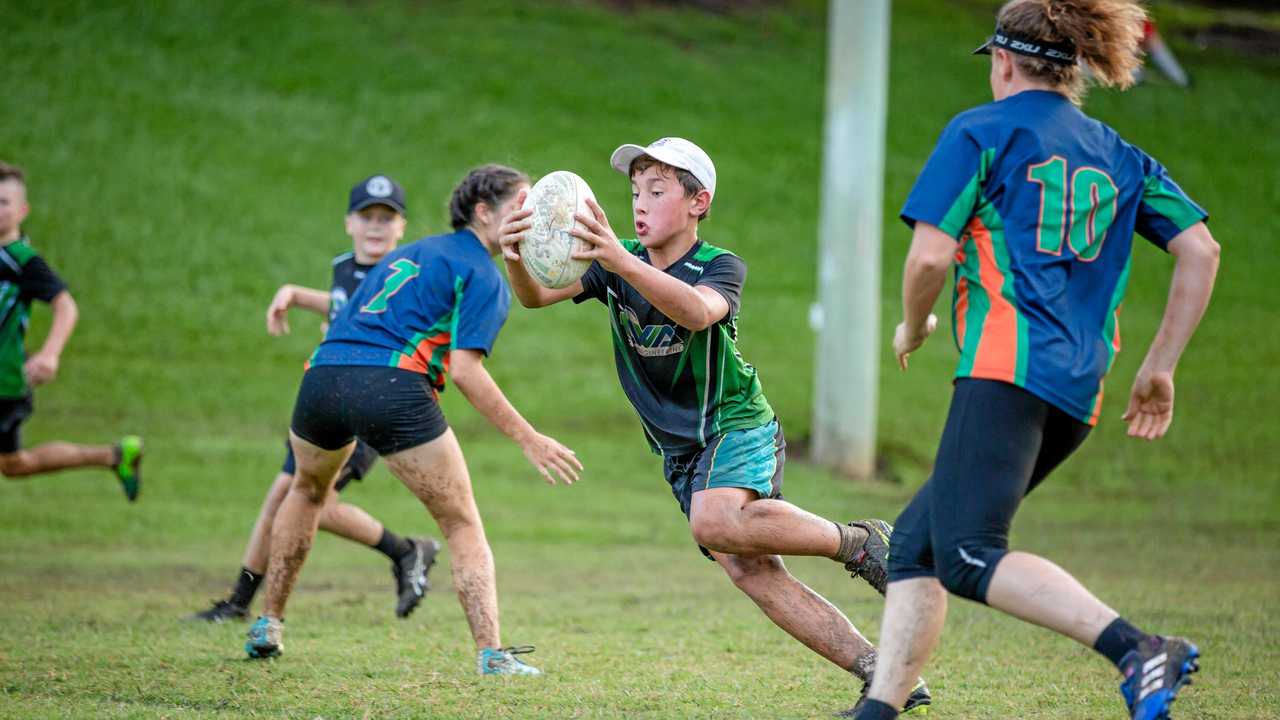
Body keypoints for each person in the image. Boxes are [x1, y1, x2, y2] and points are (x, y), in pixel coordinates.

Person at [852, 2, 1220, 719]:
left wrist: (914, 323)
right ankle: (879, 711)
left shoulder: (980, 131)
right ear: (1073, 64)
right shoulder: (1118, 151)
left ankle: (1138, 650)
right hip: (1078, 388)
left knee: (966, 554)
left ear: (1002, 60)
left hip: (1006, 368)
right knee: (918, 545)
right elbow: (1200, 249)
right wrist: (1160, 366)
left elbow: (930, 253)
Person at [499, 138, 929, 715]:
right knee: (748, 570)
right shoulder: (616, 262)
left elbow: (698, 311)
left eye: (657, 191)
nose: (639, 204)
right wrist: (516, 256)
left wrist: (619, 261)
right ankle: (885, 677)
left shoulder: (718, 265)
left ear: (698, 202)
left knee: (715, 519)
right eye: (634, 192)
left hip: (735, 423)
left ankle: (859, 541)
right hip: (681, 451)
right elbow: (535, 298)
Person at [245, 164, 581, 677]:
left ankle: (268, 622)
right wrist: (528, 437)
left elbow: (345, 322)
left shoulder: (407, 253)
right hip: (391, 385)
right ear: (484, 212)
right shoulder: (482, 274)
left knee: (305, 492)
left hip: (322, 378)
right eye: (522, 203)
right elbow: (465, 371)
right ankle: (492, 656)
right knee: (461, 522)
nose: (533, 215)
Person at [190, 175, 438, 623]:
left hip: (365, 410)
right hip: (324, 403)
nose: (376, 227)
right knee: (283, 500)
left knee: (302, 503)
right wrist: (296, 295)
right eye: (368, 217)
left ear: (401, 227)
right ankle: (238, 602)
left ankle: (405, 552)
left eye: (387, 218)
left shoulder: (405, 274)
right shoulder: (345, 267)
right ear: (349, 223)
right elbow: (344, 304)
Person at [0, 161, 142, 498]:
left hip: (3, 383)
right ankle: (114, 456)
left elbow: (65, 306)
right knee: (13, 464)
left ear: (23, 210)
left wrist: (50, 354)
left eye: (4, 202)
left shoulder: (22, 261)